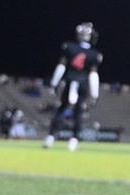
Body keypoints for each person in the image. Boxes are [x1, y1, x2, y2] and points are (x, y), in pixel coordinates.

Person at [44, 22, 102, 151]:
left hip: (69, 81)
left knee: (62, 109)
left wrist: (54, 83)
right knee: (78, 112)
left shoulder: (69, 47)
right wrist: (95, 94)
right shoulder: (94, 54)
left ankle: (51, 137)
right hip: (82, 83)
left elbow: (61, 67)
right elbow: (93, 74)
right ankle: (74, 139)